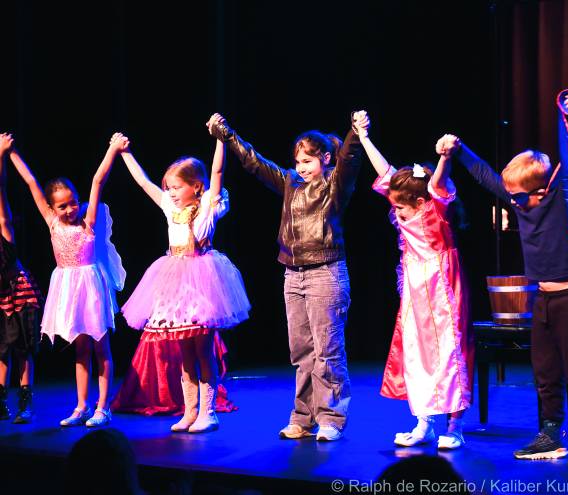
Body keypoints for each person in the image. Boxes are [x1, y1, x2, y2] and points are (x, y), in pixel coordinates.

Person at [450, 91, 568, 466]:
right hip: (543, 300)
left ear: (539, 191)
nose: (511, 201)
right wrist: (458, 149)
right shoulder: (519, 198)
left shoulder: (559, 199)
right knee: (546, 373)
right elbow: (486, 176)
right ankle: (550, 433)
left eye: (517, 196)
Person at [207, 111, 364, 441]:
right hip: (293, 275)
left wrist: (354, 131)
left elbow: (349, 159)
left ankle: (331, 418)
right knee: (302, 351)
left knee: (327, 350)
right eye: (298, 161)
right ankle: (303, 417)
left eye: (308, 160)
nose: (302, 167)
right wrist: (228, 135)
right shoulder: (291, 183)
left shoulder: (335, 184)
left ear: (324, 158)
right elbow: (256, 163)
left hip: (326, 273)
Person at [116, 119, 250, 433]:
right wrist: (125, 154)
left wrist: (220, 139)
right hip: (175, 285)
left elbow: (217, 173)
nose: (171, 193)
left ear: (196, 187)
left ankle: (209, 412)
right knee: (184, 353)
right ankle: (189, 411)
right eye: (170, 188)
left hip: (203, 283)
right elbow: (144, 183)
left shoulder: (207, 208)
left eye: (177, 187)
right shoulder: (168, 207)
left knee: (203, 351)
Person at [356, 116, 473, 450]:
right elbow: (385, 172)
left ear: (420, 203)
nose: (396, 213)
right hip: (413, 286)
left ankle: (455, 425)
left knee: (449, 353)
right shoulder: (404, 196)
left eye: (401, 208)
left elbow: (439, 181)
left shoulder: (435, 207)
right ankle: (424, 421)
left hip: (443, 287)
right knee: (416, 351)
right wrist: (363, 138)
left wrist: (445, 157)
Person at [9, 134, 127, 427]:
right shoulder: (51, 222)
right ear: (52, 208)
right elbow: (32, 184)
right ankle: (81, 406)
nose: (69, 210)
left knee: (101, 347)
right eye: (62, 206)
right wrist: (11, 152)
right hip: (67, 286)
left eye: (72, 203)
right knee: (80, 348)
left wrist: (112, 149)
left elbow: (98, 181)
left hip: (90, 285)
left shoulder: (88, 222)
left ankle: (103, 407)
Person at [0, 133, 43, 424]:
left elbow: (0, 190)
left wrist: (1, 155)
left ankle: (25, 402)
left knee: (22, 349)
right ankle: (1, 400)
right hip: (1, 298)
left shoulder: (4, 231)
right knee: (1, 350)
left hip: (19, 293)